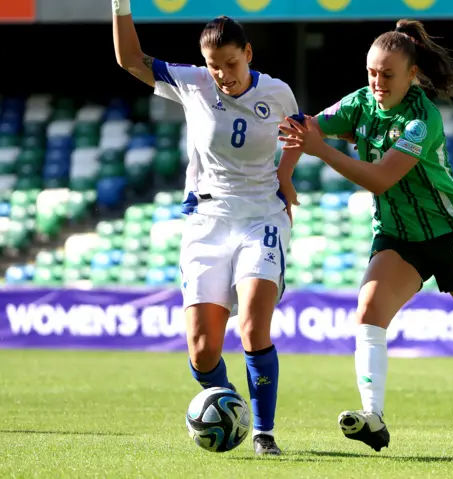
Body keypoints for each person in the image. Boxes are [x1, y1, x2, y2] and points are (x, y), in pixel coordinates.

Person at [277, 19, 453, 459]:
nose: (377, 82)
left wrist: (321, 150)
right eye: (372, 73)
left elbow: (380, 179)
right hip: (399, 238)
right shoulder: (360, 104)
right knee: (369, 312)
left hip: (452, 235)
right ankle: (373, 417)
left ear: (412, 74)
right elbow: (304, 127)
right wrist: (284, 177)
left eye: (387, 74)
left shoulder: (422, 119)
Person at [112, 0, 304, 456]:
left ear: (249, 54)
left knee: (254, 328)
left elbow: (297, 133)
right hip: (207, 222)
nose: (223, 74)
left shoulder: (277, 93)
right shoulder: (194, 83)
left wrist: (285, 176)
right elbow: (130, 60)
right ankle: (228, 402)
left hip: (261, 217)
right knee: (202, 351)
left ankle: (263, 433)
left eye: (231, 63)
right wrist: (120, 5)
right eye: (215, 66)